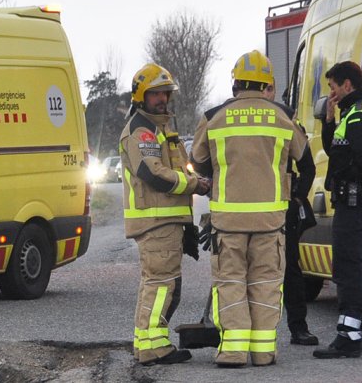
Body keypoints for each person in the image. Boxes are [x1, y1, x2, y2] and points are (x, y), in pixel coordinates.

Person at [190, 50, 313, 368]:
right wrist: (295, 196)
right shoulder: (282, 115)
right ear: (266, 84)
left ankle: (232, 350)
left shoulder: (214, 115)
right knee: (266, 283)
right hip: (271, 220)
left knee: (230, 282)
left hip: (227, 220)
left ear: (236, 82)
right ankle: (262, 351)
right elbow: (306, 162)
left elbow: (200, 162)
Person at [120, 63, 210, 366]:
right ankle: (152, 348)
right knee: (160, 285)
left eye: (165, 93)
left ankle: (150, 344)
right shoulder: (141, 130)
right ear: (141, 96)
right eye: (155, 93)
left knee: (162, 285)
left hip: (166, 222)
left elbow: (178, 168)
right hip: (155, 223)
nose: (162, 99)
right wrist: (196, 184)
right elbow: (154, 174)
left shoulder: (160, 129)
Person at [313, 61, 362, 359]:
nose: (331, 93)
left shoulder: (359, 115)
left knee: (349, 270)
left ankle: (348, 338)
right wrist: (330, 121)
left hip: (355, 204)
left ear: (348, 85)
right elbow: (338, 150)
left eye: (333, 87)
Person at [263, 82, 319, 346]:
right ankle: (252, 332)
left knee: (290, 269)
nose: (264, 95)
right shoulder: (232, 117)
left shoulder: (285, 119)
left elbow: (307, 166)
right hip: (249, 209)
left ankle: (298, 327)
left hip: (282, 208)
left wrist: (297, 196)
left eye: (267, 89)